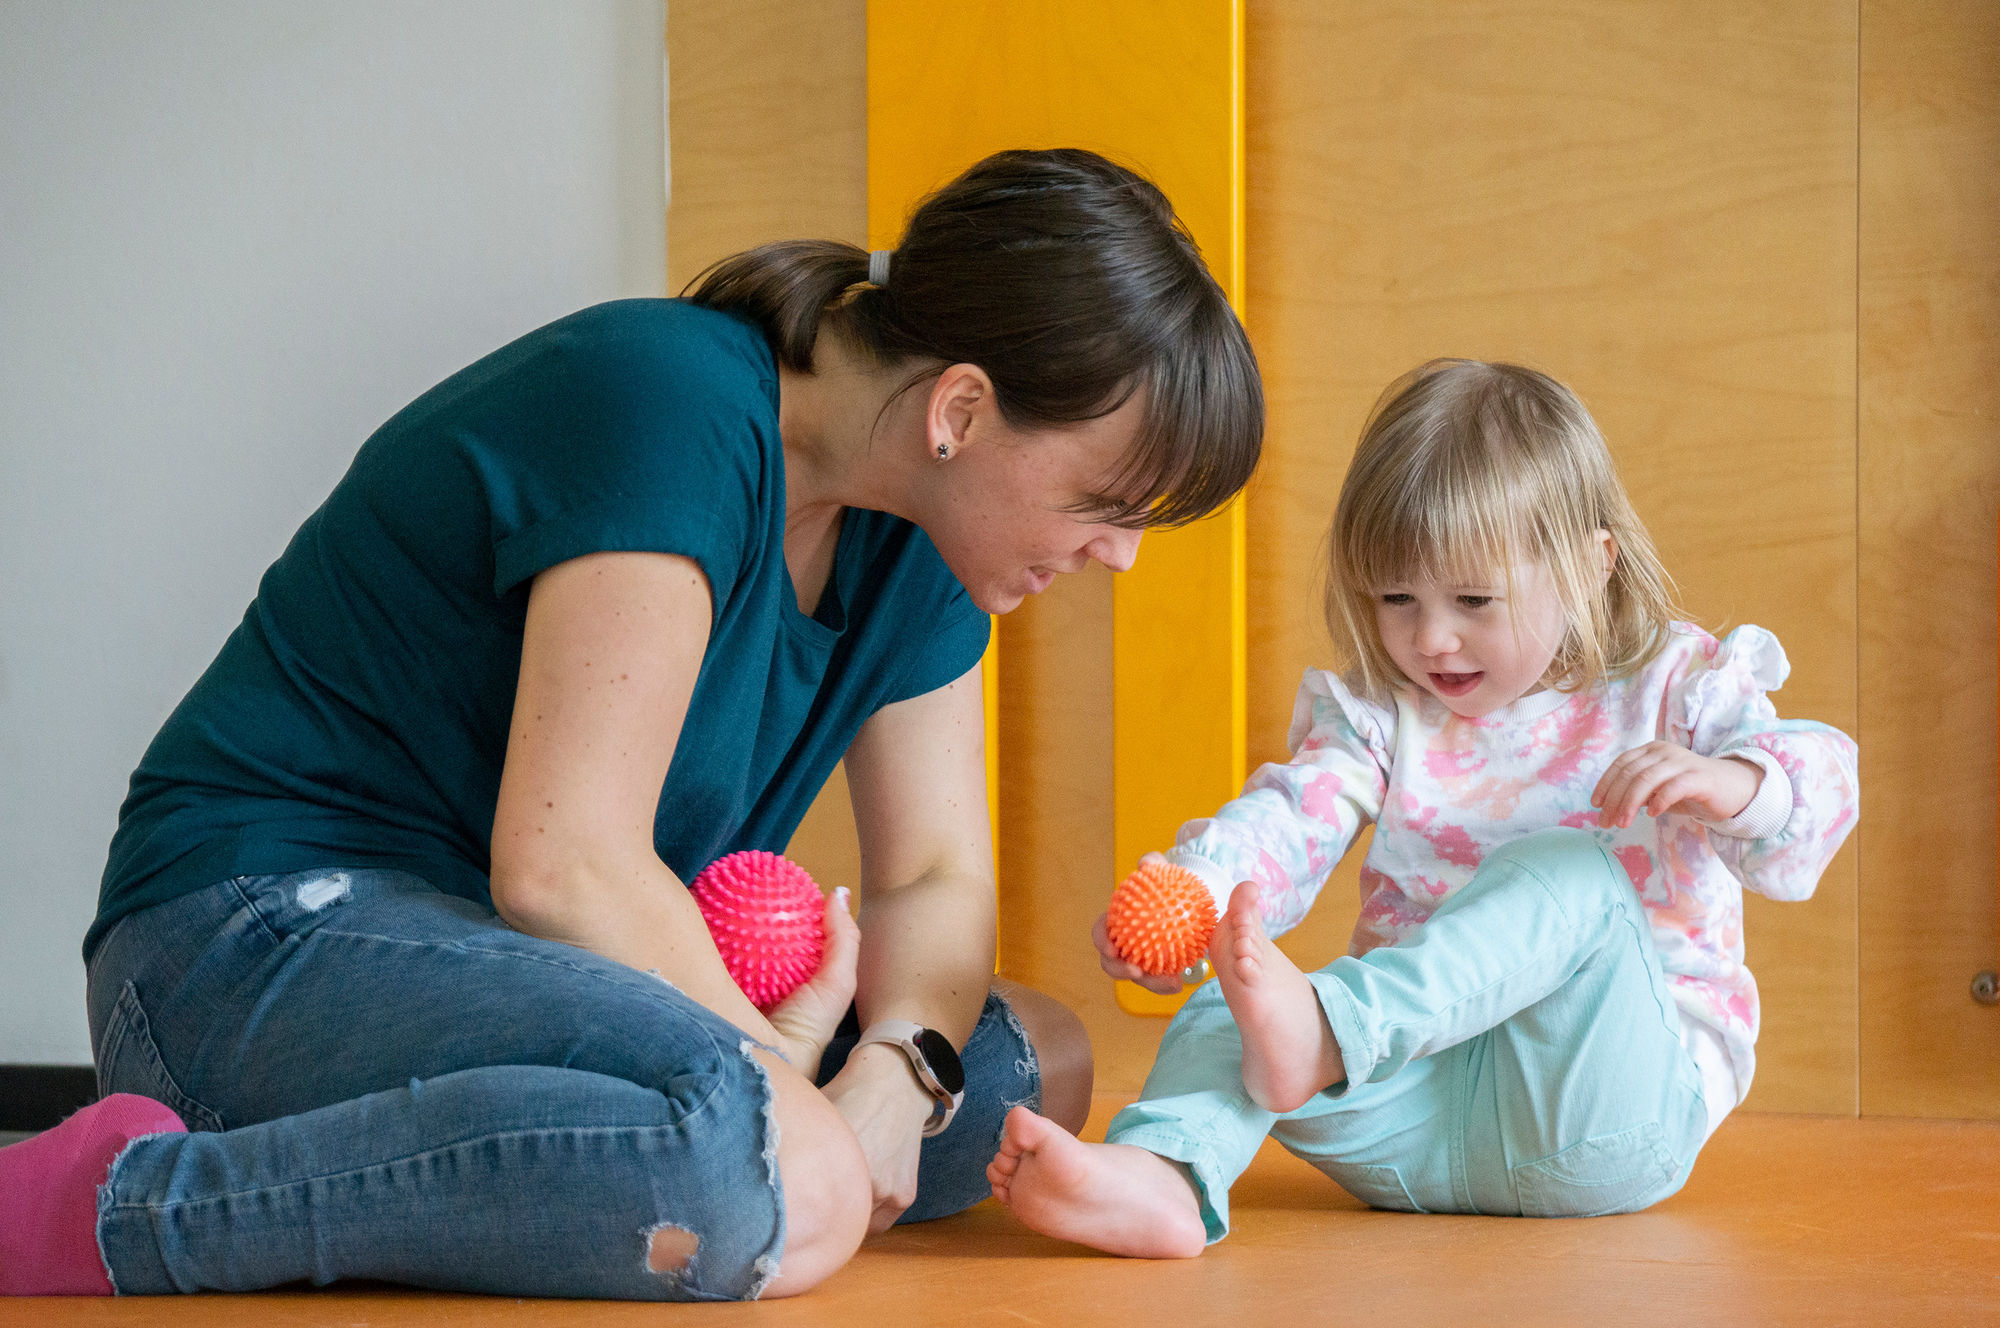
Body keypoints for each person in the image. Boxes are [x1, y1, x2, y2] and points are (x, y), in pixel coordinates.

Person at [0, 148, 1263, 1299]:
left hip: (519, 964)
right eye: (1107, 501)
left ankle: (593, 1167)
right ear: (961, 412)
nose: (1121, 554)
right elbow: (566, 862)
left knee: (1021, 1067)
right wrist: (787, 1090)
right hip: (248, 939)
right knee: (763, 1163)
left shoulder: (924, 538)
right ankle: (120, 1209)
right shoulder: (676, 404)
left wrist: (894, 1076)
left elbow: (935, 875)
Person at [988, 358, 1857, 1256]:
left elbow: (1823, 789)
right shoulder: (1383, 715)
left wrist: (1743, 785)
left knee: (1570, 870)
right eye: (1396, 598)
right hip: (1418, 1115)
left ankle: (1326, 1034)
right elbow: (1290, 818)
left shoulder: (1678, 685)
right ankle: (1168, 1173)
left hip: (1602, 1113)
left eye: (1473, 601)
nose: (1431, 638)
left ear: (1590, 566)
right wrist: (1199, 896)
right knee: (1230, 1011)